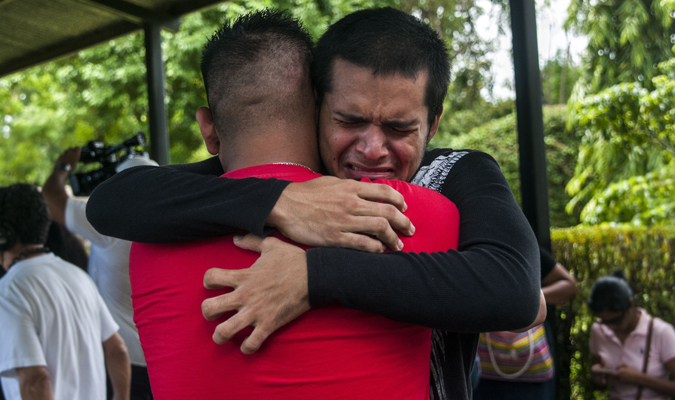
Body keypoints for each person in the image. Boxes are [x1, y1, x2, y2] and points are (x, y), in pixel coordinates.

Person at [86, 7, 542, 400]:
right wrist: (281, 198)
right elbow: (115, 200)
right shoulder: (292, 179)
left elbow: (516, 289)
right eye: (350, 120)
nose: (372, 149)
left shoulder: (454, 177)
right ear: (317, 108)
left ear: (433, 121)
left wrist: (314, 274)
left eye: (400, 128)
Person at [42, 149, 157, 400]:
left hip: (121, 357)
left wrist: (63, 165)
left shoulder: (112, 224)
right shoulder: (167, 224)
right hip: (157, 358)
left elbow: (51, 198)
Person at [0, 183, 130, 400]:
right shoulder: (78, 276)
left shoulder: (9, 291)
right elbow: (118, 350)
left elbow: (36, 379)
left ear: (5, 235)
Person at [474, 246, 577, 399]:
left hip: (527, 379)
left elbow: (569, 286)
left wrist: (529, 298)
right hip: (485, 375)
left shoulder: (522, 247)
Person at [588, 272, 675, 400]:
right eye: (604, 322)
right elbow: (599, 384)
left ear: (631, 305)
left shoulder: (661, 332)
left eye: (615, 321)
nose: (610, 327)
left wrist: (639, 379)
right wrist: (597, 379)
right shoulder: (599, 330)